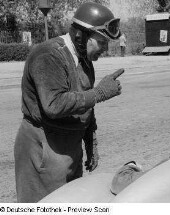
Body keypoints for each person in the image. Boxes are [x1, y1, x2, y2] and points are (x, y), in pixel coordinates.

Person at [14, 2, 124, 203]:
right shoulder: (48, 55)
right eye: (102, 42)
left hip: (69, 149)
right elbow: (54, 104)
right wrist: (99, 93)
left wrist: (91, 140)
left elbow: (84, 102)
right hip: (44, 149)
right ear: (81, 36)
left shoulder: (84, 60)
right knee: (46, 206)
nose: (106, 49)